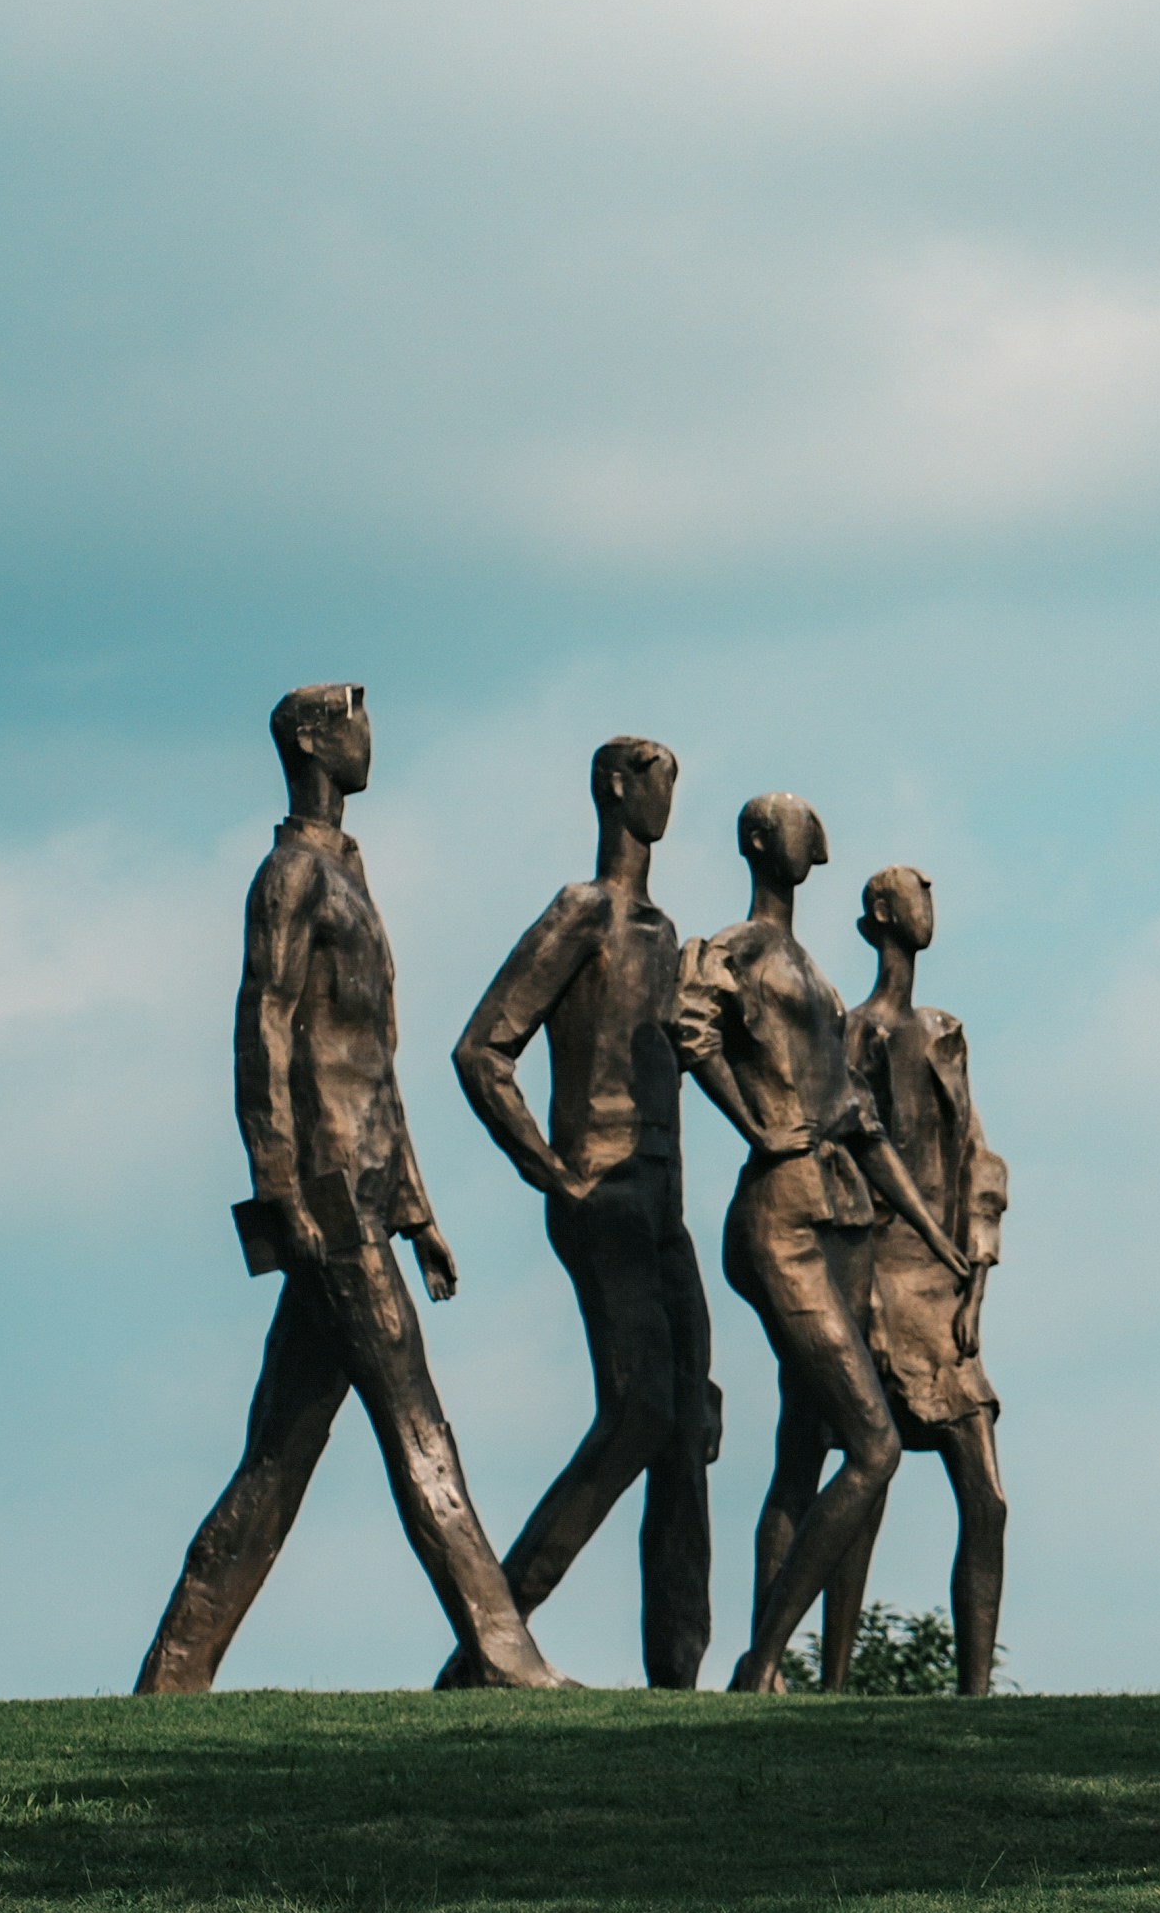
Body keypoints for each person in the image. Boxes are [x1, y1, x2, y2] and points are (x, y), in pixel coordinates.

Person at [138, 683, 568, 1694]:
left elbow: (377, 1061)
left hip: (369, 1191)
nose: (369, 736)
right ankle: (503, 1651)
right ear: (308, 739)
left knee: (278, 1454)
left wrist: (417, 1209)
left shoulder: (346, 876)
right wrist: (278, 1181)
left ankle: (176, 1669)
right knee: (417, 1418)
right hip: (327, 1197)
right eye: (353, 720)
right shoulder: (288, 875)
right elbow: (262, 1030)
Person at [445, 733, 722, 1688]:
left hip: (666, 1206)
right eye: (657, 778)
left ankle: (678, 1689)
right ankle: (495, 1637)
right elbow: (483, 1049)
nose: (669, 797)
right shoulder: (582, 912)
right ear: (615, 787)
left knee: (688, 1429)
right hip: (601, 1191)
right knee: (642, 1409)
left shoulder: (665, 932)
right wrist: (554, 1172)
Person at [671, 792, 962, 1694]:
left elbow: (862, 1125)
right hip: (782, 1219)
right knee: (872, 1446)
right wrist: (758, 1124)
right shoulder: (742, 949)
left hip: (838, 1216)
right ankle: (762, 1665)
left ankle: (778, 1678)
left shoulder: (814, 973)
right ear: (761, 842)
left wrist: (936, 1239)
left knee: (804, 1450)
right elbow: (688, 1027)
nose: (812, 831)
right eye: (793, 820)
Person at [811, 863, 1010, 1697]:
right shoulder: (852, 1034)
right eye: (910, 893)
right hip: (879, 1274)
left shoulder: (945, 1032)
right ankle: (833, 1681)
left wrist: (979, 1263)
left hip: (945, 1278)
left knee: (986, 1500)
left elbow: (977, 1158)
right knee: (872, 1469)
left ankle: (972, 1697)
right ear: (881, 918)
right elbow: (840, 1153)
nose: (929, 899)